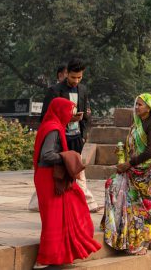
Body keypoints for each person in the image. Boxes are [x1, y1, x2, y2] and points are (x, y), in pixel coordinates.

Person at [32, 97, 101, 268]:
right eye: (69, 111)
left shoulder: (53, 125)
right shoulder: (53, 129)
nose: (72, 114)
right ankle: (44, 258)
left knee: (65, 210)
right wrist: (69, 156)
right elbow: (46, 155)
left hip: (50, 176)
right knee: (53, 219)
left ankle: (60, 253)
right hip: (49, 178)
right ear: (60, 111)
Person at [101, 93, 151, 255]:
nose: (136, 108)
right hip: (132, 168)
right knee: (112, 186)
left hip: (146, 173)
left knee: (145, 208)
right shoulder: (137, 123)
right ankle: (118, 230)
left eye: (140, 105)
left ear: (149, 108)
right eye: (136, 104)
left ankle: (144, 243)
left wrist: (128, 163)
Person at [42, 57, 98, 210]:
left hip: (76, 137)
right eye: (73, 77)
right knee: (59, 172)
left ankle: (85, 202)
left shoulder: (83, 90)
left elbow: (87, 115)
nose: (76, 80)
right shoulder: (55, 91)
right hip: (60, 137)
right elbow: (45, 117)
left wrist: (84, 134)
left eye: (80, 77)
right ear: (66, 74)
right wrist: (66, 119)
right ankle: (57, 202)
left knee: (77, 169)